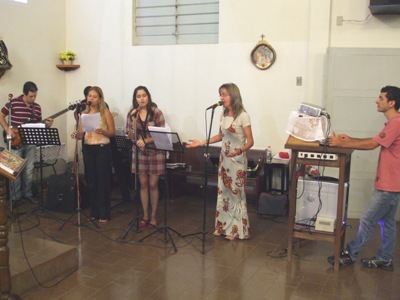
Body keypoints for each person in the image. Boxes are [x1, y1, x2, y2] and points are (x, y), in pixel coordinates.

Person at [327, 85, 400, 271]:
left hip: (389, 186)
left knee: (367, 219)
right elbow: (375, 140)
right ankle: (385, 259)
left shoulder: (396, 123)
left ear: (391, 103)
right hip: (392, 184)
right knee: (388, 222)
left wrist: (342, 144)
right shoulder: (393, 124)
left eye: (381, 98)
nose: (377, 100)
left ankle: (350, 254)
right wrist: (348, 139)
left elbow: (372, 145)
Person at [187, 83, 254, 240]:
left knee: (235, 194)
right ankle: (222, 227)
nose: (221, 98)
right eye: (220, 94)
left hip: (237, 160)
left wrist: (240, 150)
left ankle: (236, 230)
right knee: (223, 192)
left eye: (224, 94)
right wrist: (201, 142)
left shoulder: (243, 116)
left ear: (233, 95)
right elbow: (220, 136)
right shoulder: (223, 114)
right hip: (224, 159)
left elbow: (250, 141)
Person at [0, 81, 54, 205]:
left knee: (29, 169)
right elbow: (1, 115)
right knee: (14, 169)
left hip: (30, 141)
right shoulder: (13, 103)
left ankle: (28, 194)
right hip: (15, 141)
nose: (33, 98)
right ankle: (15, 197)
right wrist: (7, 128)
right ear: (24, 94)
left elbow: (38, 125)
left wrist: (47, 125)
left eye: (35, 96)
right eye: (30, 96)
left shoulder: (37, 107)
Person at [72, 86, 115, 223]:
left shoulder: (105, 113)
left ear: (100, 99)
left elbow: (112, 132)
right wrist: (76, 134)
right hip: (88, 148)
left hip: (102, 148)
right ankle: (94, 210)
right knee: (91, 180)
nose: (91, 98)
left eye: (94, 96)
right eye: (89, 96)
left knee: (102, 180)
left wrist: (103, 131)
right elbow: (81, 133)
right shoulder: (83, 113)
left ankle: (104, 212)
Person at [125, 86, 165, 228]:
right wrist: (133, 124)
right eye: (138, 96)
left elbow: (162, 134)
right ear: (135, 99)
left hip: (155, 151)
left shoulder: (156, 112)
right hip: (139, 152)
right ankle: (145, 215)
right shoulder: (132, 114)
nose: (141, 99)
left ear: (148, 97)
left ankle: (153, 215)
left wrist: (146, 141)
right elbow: (129, 135)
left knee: (153, 184)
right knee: (143, 184)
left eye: (144, 95)